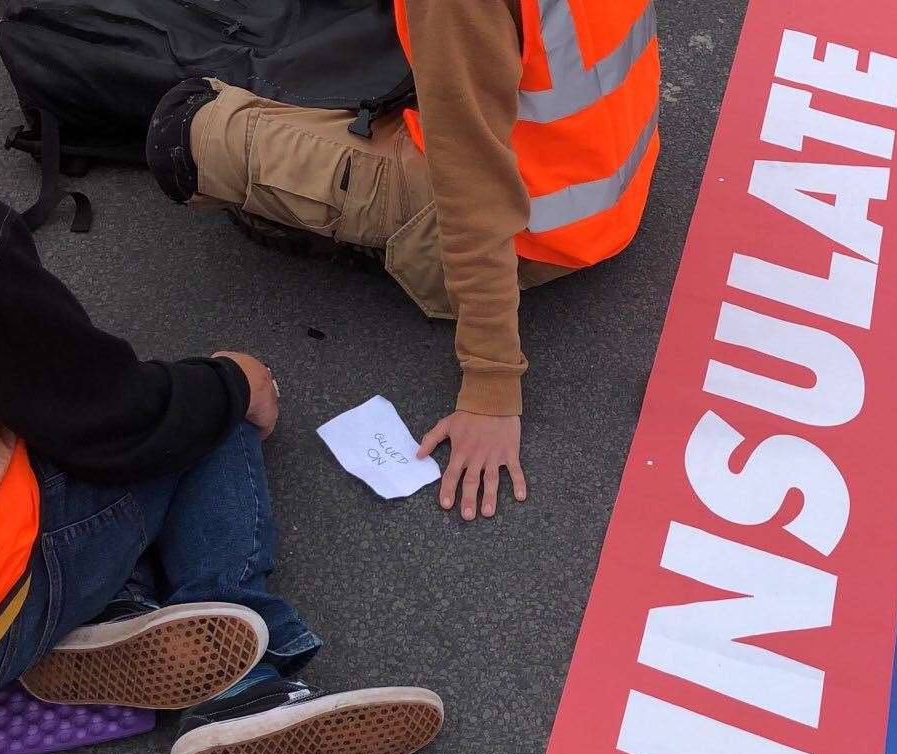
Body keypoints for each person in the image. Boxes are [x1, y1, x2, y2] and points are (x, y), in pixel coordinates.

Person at [0, 0, 441, 754]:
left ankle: (117, 610)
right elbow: (104, 415)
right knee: (204, 410)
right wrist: (232, 384)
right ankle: (248, 677)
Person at [144, 0, 660, 523]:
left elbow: (475, 197)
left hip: (528, 228)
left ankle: (380, 238)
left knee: (191, 132)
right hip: (606, 179)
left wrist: (491, 387)